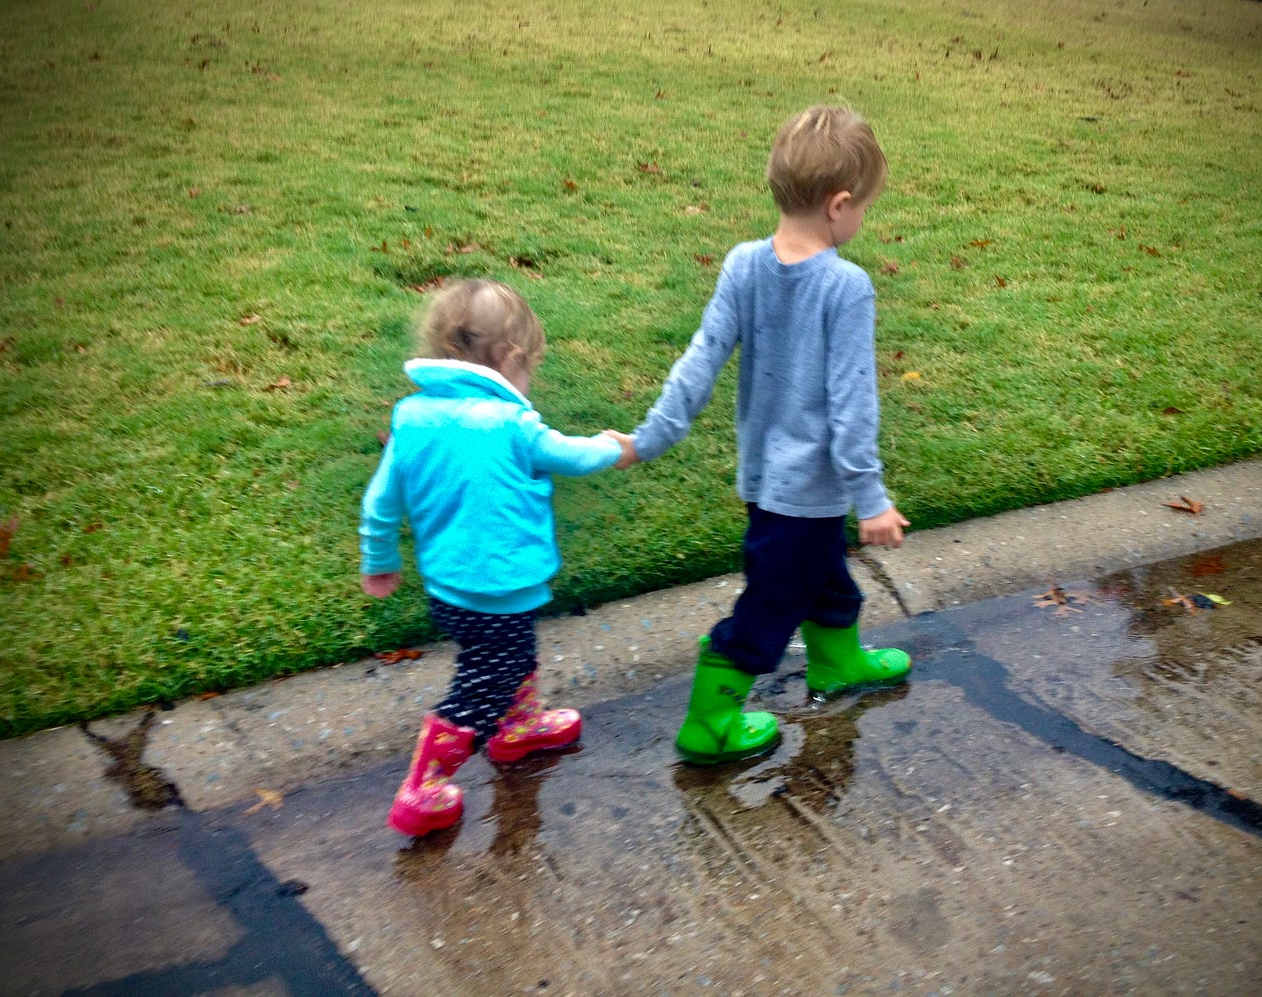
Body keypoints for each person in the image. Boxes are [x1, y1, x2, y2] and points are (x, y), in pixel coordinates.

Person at [612, 105, 912, 764]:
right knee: (770, 607)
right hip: (809, 490)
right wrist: (871, 498)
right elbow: (852, 406)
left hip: (766, 481)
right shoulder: (846, 286)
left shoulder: (743, 264)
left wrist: (651, 435)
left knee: (825, 579)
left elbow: (700, 358)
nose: (863, 220)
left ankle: (839, 662)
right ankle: (711, 719)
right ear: (838, 205)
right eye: (863, 207)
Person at [360, 278, 627, 837]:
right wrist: (614, 446)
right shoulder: (512, 423)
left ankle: (519, 726)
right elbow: (570, 456)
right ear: (508, 359)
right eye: (530, 368)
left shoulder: (412, 417)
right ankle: (422, 787)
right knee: (484, 681)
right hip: (497, 585)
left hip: (449, 585)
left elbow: (382, 501)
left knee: (508, 656)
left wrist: (379, 557)